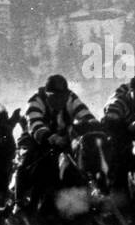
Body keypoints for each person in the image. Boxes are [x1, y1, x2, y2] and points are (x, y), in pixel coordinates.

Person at [11, 74, 96, 210]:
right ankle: (19, 202)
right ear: (47, 94)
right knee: (26, 162)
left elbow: (86, 115)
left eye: (62, 96)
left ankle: (94, 194)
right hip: (36, 140)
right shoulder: (35, 100)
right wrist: (53, 138)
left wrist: (93, 127)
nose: (59, 101)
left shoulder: (70, 98)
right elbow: (35, 125)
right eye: (54, 97)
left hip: (64, 139)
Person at [102, 74, 135, 191]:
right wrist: (129, 130)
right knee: (118, 156)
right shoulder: (116, 104)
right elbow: (111, 132)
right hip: (118, 136)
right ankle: (115, 191)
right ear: (131, 92)